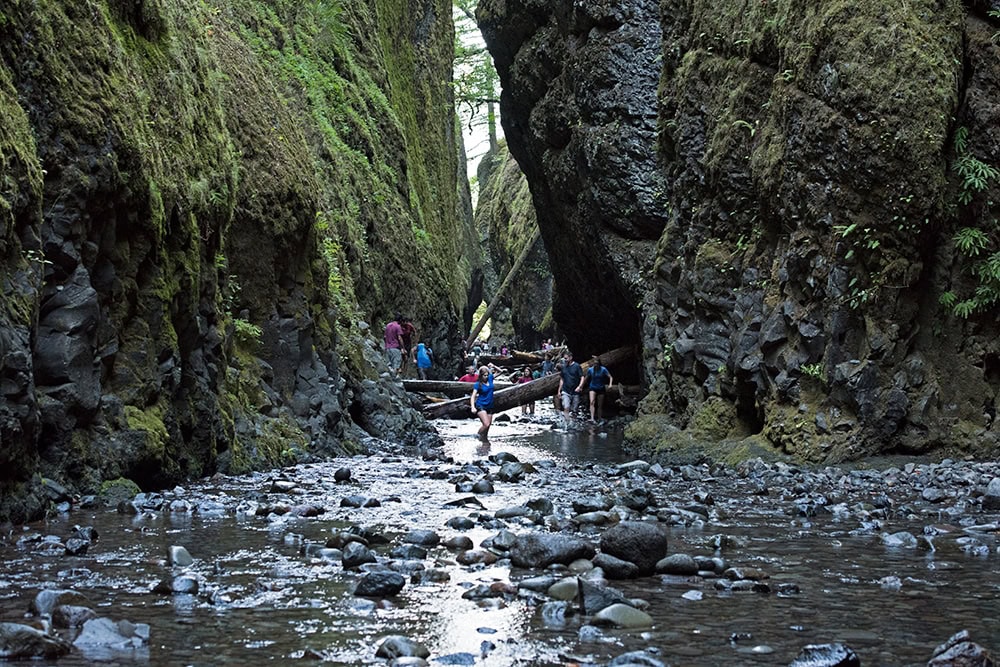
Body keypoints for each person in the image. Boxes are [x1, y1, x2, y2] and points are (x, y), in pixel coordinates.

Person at [578, 356, 614, 423]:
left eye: (597, 364)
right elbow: (586, 378)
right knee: (592, 402)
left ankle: (600, 418)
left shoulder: (603, 369)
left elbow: (610, 377)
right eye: (594, 364)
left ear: (599, 364)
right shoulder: (590, 370)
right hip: (592, 387)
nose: (595, 365)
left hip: (601, 388)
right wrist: (581, 386)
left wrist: (610, 384)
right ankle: (592, 418)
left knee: (600, 405)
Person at [470, 365, 497, 438]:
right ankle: (476, 436)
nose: (486, 377)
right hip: (481, 405)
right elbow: (473, 396)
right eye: (484, 375)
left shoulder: (490, 379)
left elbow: (501, 371)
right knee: (486, 424)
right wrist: (473, 407)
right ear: (481, 376)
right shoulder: (478, 384)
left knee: (487, 428)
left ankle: (484, 443)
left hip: (490, 406)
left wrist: (493, 366)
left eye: (487, 375)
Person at [557, 351, 583, 422]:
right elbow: (562, 379)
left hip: (575, 391)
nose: (565, 360)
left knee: (574, 410)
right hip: (565, 391)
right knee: (566, 407)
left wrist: (580, 386)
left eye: (566, 358)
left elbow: (582, 377)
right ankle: (567, 423)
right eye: (564, 358)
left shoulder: (577, 366)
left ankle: (573, 423)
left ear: (571, 358)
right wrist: (559, 391)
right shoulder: (563, 367)